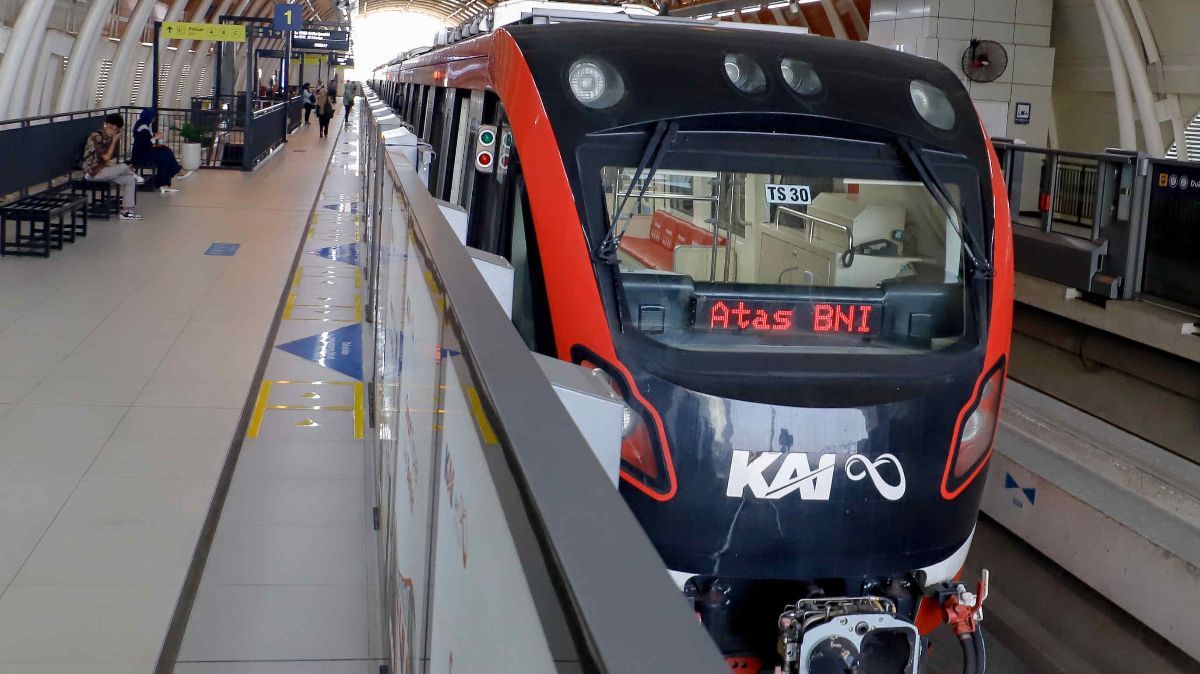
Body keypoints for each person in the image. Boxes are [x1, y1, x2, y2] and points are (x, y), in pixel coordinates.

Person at [83, 113, 142, 220]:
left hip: (103, 171)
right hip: (94, 173)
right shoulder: (95, 137)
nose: (111, 131)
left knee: (129, 179)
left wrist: (115, 165)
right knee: (124, 166)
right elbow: (106, 158)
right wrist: (114, 141)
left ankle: (125, 212)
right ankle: (133, 174)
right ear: (104, 124)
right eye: (110, 128)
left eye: (115, 130)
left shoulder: (107, 137)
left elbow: (107, 161)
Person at [131, 108, 192, 193]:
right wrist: (156, 138)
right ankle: (170, 177)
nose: (154, 118)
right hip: (141, 156)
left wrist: (155, 142)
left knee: (165, 151)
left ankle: (168, 180)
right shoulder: (143, 128)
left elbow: (145, 143)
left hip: (142, 153)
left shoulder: (142, 124)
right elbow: (144, 144)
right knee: (165, 155)